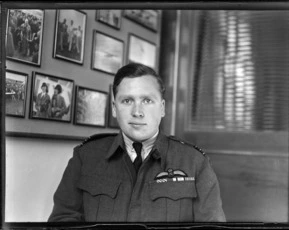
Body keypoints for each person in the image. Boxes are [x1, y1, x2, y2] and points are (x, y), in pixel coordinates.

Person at [48, 63, 226, 222]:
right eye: (127, 101)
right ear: (114, 108)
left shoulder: (195, 163)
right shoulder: (85, 157)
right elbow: (62, 220)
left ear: (162, 108)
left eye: (147, 101)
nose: (137, 112)